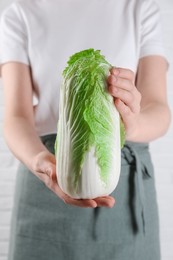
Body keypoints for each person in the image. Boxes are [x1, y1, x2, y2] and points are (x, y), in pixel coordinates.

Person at [0, 0, 171, 259]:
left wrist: (132, 124)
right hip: (48, 170)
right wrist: (40, 163)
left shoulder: (139, 7)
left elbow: (159, 109)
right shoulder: (20, 12)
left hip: (124, 181)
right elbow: (16, 116)